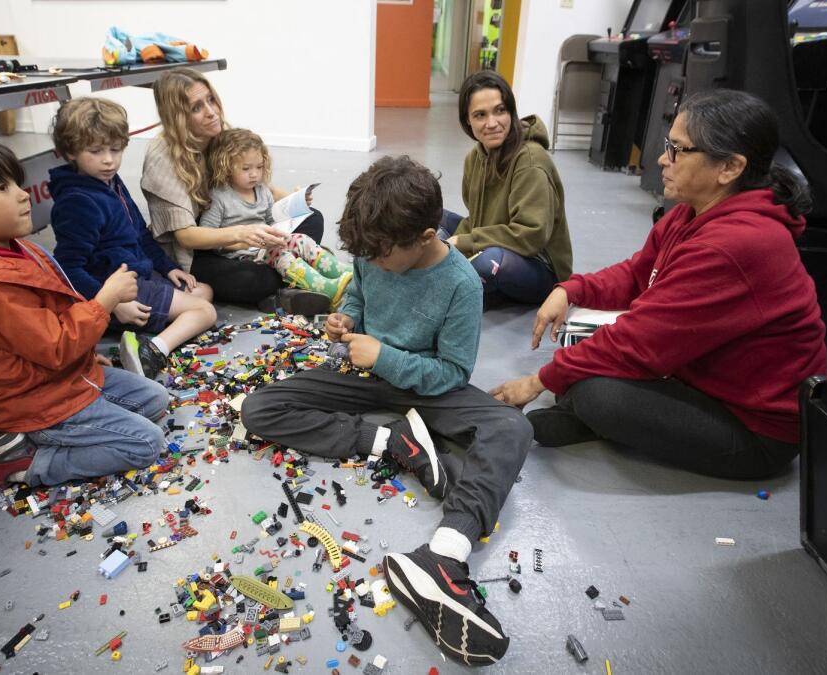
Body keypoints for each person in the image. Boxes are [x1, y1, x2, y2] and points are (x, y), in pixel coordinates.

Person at [240, 156, 531, 666]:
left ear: (423, 236)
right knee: (261, 407)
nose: (370, 261)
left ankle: (445, 552)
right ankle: (395, 442)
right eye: (365, 254)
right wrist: (346, 318)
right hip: (363, 378)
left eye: (380, 254)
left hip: (423, 388)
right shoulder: (374, 254)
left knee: (512, 426)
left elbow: (452, 373)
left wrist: (387, 356)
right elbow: (357, 291)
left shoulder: (461, 284)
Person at [490, 89, 827, 480]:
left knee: (595, 392)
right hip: (699, 376)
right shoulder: (692, 213)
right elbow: (638, 274)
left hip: (755, 429)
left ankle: (597, 419)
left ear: (730, 167)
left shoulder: (737, 244)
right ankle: (601, 418)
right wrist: (573, 288)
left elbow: (639, 344)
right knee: (579, 348)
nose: (662, 159)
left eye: (679, 150)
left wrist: (537, 381)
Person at [0, 139, 168, 487]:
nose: (23, 194)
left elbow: (47, 322)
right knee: (146, 443)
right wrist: (105, 301)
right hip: (31, 400)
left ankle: (12, 435)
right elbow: (55, 345)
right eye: (1, 188)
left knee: (155, 399)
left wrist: (83, 356)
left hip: (56, 378)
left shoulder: (16, 249)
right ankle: (23, 459)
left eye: (14, 182)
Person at [48, 97, 217, 379]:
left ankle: (142, 327)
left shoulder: (109, 181)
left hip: (136, 275)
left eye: (115, 150)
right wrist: (113, 302)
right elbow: (68, 269)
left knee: (203, 290)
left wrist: (167, 267)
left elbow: (139, 231)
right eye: (95, 150)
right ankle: (151, 351)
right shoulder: (77, 202)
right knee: (205, 311)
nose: (108, 160)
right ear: (70, 152)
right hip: (113, 287)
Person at [141, 68, 328, 311]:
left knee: (313, 218)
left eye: (211, 100)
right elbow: (186, 236)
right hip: (201, 250)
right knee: (257, 279)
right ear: (177, 117)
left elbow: (253, 182)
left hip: (248, 241)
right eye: (197, 108)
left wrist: (293, 200)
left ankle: (288, 272)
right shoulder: (162, 159)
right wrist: (240, 234)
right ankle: (290, 276)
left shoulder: (217, 134)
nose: (212, 113)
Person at [440, 70, 574, 306]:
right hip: (497, 244)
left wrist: (461, 243)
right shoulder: (475, 158)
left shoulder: (531, 161)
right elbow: (475, 219)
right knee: (432, 218)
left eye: (500, 111)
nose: (492, 123)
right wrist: (449, 246)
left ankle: (445, 292)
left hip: (538, 265)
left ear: (511, 112)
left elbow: (530, 235)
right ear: (467, 121)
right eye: (480, 115)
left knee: (487, 262)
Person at [200, 128, 352, 309]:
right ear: (226, 166)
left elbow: (269, 220)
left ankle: (343, 272)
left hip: (266, 247)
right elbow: (209, 236)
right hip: (244, 257)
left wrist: (283, 228)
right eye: (246, 168)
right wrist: (241, 242)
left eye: (259, 167)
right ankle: (327, 288)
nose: (254, 174)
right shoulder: (219, 197)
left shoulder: (261, 190)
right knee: (279, 254)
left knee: (300, 239)